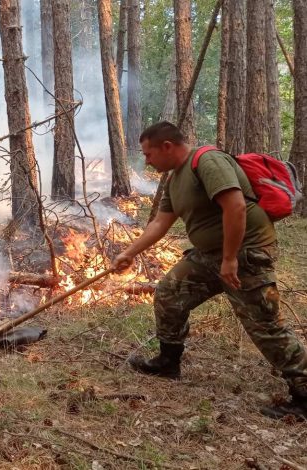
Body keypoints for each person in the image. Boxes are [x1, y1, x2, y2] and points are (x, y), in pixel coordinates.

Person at [111, 122, 307, 421]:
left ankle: (304, 392)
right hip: (208, 256)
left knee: (265, 324)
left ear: (167, 146)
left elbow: (236, 207)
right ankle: (168, 362)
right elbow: (159, 224)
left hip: (245, 253)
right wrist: (128, 253)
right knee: (169, 293)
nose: (147, 160)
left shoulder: (207, 161)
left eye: (149, 154)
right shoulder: (175, 179)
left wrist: (230, 259)